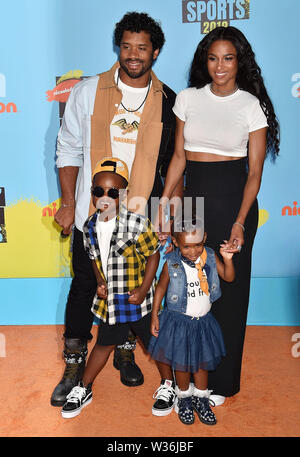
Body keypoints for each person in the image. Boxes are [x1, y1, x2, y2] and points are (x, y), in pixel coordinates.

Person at [51, 11, 182, 406]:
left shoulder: (170, 101)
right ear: (118, 48)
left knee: (133, 291)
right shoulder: (88, 90)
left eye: (142, 47)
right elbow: (68, 147)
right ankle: (74, 362)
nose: (133, 54)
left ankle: (124, 352)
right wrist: (70, 202)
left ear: (155, 52)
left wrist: (169, 217)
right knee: (85, 285)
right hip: (93, 217)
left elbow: (173, 166)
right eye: (126, 46)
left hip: (140, 218)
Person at [158, 26, 280, 406]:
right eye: (213, 58)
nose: (220, 66)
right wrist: (164, 205)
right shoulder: (188, 99)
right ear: (204, 62)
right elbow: (178, 158)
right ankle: (190, 378)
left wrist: (240, 221)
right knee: (189, 287)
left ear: (239, 61)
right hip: (193, 197)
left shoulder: (250, 105)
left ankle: (221, 382)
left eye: (228, 58)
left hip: (233, 201)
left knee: (227, 288)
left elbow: (255, 172)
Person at [61, 157, 160, 418]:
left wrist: (143, 288)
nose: (105, 198)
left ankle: (172, 385)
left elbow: (153, 255)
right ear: (91, 193)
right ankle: (84, 388)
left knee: (156, 345)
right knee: (104, 344)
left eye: (112, 192)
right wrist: (101, 282)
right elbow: (94, 257)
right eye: (98, 191)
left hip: (138, 301)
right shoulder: (89, 226)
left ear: (123, 195)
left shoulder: (138, 224)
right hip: (113, 304)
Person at [148, 217, 235, 425]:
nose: (193, 251)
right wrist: (154, 314)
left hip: (203, 323)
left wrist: (228, 259)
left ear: (205, 238)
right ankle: (184, 398)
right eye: (187, 246)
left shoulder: (211, 257)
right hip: (178, 322)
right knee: (182, 364)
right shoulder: (172, 263)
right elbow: (160, 288)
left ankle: (201, 399)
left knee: (201, 364)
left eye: (198, 245)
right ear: (177, 242)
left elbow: (229, 277)